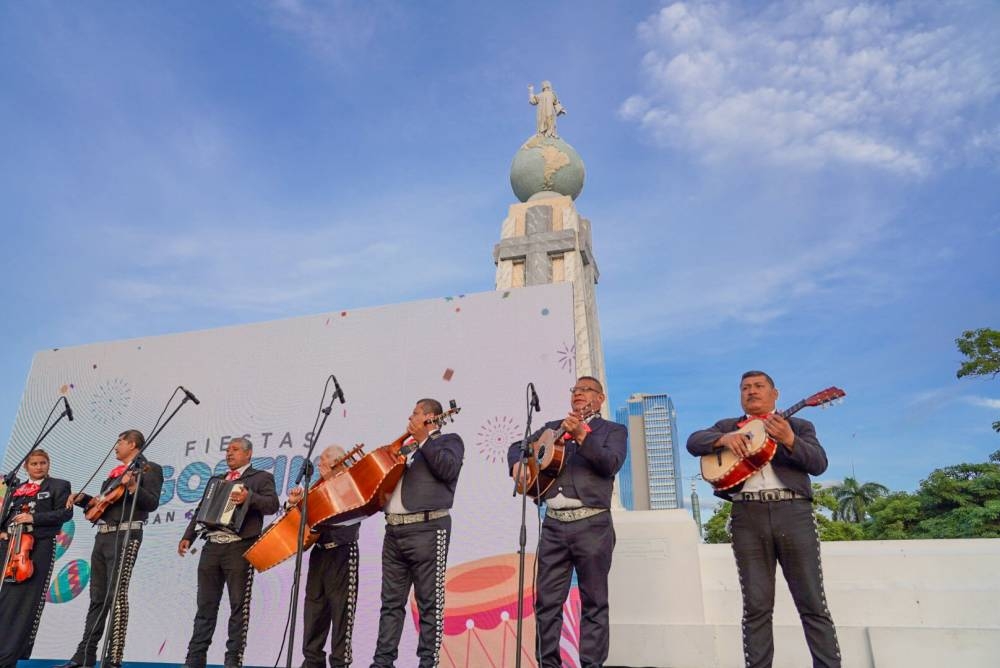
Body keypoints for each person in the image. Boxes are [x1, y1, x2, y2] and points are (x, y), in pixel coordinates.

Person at [686, 370, 841, 668]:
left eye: (759, 386)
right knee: (756, 606)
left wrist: (790, 439)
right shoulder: (728, 426)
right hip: (747, 515)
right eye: (745, 387)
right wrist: (723, 439)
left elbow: (819, 464)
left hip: (793, 512)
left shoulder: (799, 424)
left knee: (812, 602)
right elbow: (694, 442)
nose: (751, 391)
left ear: (775, 394)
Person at [507, 376, 627, 668]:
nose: (579, 394)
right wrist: (517, 462)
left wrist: (583, 436)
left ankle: (591, 664)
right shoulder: (551, 427)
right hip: (553, 526)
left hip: (593, 525)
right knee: (546, 603)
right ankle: (548, 664)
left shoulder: (613, 430)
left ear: (600, 399)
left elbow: (611, 463)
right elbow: (516, 446)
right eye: (575, 390)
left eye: (586, 390)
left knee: (594, 602)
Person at [370, 398, 464, 668]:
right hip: (394, 531)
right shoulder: (404, 448)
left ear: (431, 417)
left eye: (415, 413)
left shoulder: (450, 441)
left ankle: (427, 663)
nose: (410, 417)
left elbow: (448, 470)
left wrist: (425, 440)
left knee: (429, 602)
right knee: (390, 603)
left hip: (428, 529)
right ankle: (382, 662)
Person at [59, 429, 164, 668]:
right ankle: (84, 654)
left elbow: (152, 502)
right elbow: (101, 505)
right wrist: (83, 499)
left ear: (133, 444)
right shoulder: (115, 474)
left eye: (119, 442)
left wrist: (134, 486)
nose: (115, 446)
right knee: (97, 597)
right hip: (103, 536)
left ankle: (113, 657)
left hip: (127, 533)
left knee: (117, 595)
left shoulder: (149, 469)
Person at [178, 437, 279, 668]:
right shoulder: (217, 480)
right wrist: (188, 536)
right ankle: (194, 659)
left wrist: (248, 498)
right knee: (205, 605)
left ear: (248, 454)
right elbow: (201, 510)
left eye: (234, 450)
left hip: (239, 546)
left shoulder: (261, 477)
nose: (229, 453)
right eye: (227, 450)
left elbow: (272, 505)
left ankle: (233, 660)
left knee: (238, 606)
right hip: (212, 546)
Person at [286, 444, 363, 668]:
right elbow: (301, 525)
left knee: (341, 612)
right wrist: (294, 505)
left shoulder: (350, 485)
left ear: (336, 462)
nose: (319, 465)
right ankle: (312, 662)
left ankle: (340, 663)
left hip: (341, 551)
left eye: (323, 460)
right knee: (314, 609)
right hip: (319, 554)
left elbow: (350, 514)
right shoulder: (318, 488)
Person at [0, 449, 73, 668]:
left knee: (26, 603)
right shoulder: (17, 488)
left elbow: (64, 514)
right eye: (34, 463)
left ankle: (8, 656)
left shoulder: (59, 485)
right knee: (4, 600)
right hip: (11, 548)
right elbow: (5, 516)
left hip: (38, 546)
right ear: (26, 466)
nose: (39, 467)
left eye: (43, 463)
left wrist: (34, 517)